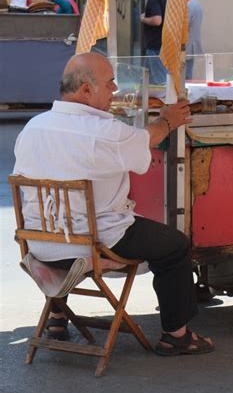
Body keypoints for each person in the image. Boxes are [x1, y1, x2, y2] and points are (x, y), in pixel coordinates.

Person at [13, 52, 214, 356]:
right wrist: (167, 120)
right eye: (109, 85)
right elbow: (147, 137)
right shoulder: (104, 133)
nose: (114, 91)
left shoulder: (33, 127)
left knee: (63, 222)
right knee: (175, 246)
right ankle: (177, 335)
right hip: (91, 245)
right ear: (85, 89)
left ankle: (57, 317)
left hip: (40, 246)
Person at [141, 0, 168, 85]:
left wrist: (144, 19)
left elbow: (157, 20)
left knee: (160, 81)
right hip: (161, 43)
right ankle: (144, 99)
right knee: (146, 79)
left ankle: (167, 102)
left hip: (155, 46)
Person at [186, 0, 203, 80]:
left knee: (185, 75)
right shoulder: (196, 2)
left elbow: (183, 25)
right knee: (188, 73)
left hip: (185, 45)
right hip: (191, 44)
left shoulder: (188, 5)